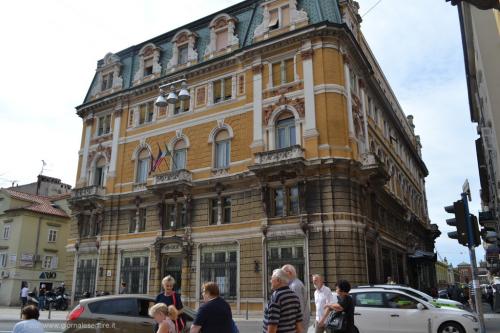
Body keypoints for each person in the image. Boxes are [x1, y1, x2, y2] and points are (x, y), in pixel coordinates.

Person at [263, 268, 303, 333]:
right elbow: (298, 324)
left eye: (272, 278)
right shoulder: (295, 296)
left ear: (278, 280)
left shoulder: (276, 297)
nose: (270, 281)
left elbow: (272, 326)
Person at [282, 264, 310, 330]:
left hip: (298, 324)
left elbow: (298, 307)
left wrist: (296, 326)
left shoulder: (295, 286)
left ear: (289, 273)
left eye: (283, 274)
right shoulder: (294, 284)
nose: (282, 276)